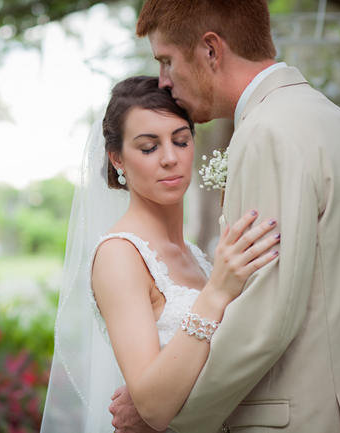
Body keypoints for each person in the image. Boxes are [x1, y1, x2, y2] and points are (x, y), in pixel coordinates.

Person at [109, 1, 340, 432]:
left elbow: (265, 317)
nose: (163, 80)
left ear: (210, 50)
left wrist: (167, 413)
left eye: (167, 61)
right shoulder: (336, 121)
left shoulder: (267, 133)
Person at [40, 75, 280, 433]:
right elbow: (152, 404)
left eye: (181, 141)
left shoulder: (198, 256)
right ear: (117, 158)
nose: (170, 158)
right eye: (149, 147)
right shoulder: (120, 256)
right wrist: (217, 292)